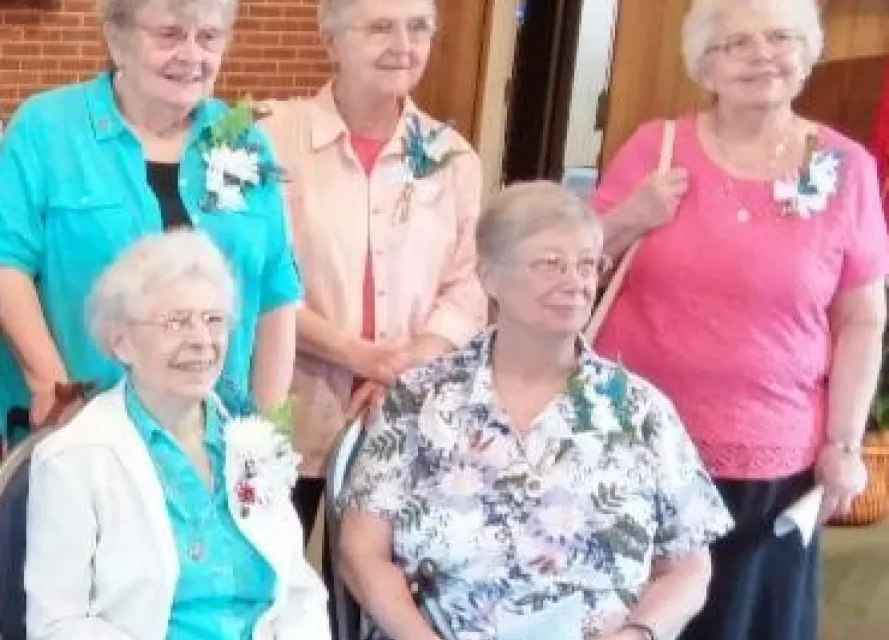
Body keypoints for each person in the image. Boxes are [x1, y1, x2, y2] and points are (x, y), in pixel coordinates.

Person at [590, 1, 889, 638]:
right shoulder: (656, 148)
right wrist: (627, 219)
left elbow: (862, 319)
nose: (762, 55)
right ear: (706, 64)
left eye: (781, 38)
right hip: (637, 448)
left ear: (807, 54)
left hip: (771, 464)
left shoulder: (846, 170)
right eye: (737, 44)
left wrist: (843, 443)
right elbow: (569, 268)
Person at [338, 182, 732, 640]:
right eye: (550, 264)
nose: (575, 282)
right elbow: (360, 554)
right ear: (490, 276)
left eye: (587, 265)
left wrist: (639, 634)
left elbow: (688, 570)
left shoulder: (641, 411)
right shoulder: (418, 398)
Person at [0, 0, 303, 500]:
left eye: (208, 37)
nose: (191, 54)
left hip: (212, 444)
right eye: (169, 34)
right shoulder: (47, 128)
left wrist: (261, 438)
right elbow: (2, 264)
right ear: (117, 37)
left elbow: (276, 292)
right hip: (79, 434)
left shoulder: (246, 142)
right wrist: (59, 399)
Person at [23, 231, 330, 640]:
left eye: (213, 319)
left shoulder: (248, 440)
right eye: (176, 322)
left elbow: (297, 592)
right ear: (121, 342)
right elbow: (55, 625)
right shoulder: (73, 458)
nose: (201, 340)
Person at [261, 0, 486, 532]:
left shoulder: (452, 157)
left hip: (405, 411)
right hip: (287, 407)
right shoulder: (270, 141)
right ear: (331, 39)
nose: (403, 45)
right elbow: (250, 277)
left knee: (378, 595)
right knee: (273, 589)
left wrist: (405, 364)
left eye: (418, 28)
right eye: (380, 27)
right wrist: (356, 353)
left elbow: (469, 285)